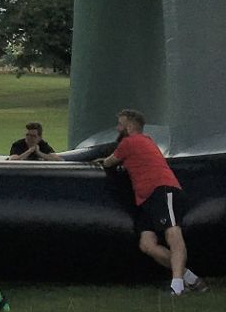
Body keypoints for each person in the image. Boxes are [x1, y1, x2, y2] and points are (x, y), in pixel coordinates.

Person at [69, 108, 204, 296]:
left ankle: (178, 287)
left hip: (162, 189)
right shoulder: (145, 142)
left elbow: (109, 162)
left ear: (130, 127)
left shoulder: (131, 142)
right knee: (147, 245)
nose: (117, 128)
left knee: (173, 233)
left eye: (120, 124)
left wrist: (100, 161)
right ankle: (189, 277)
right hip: (145, 197)